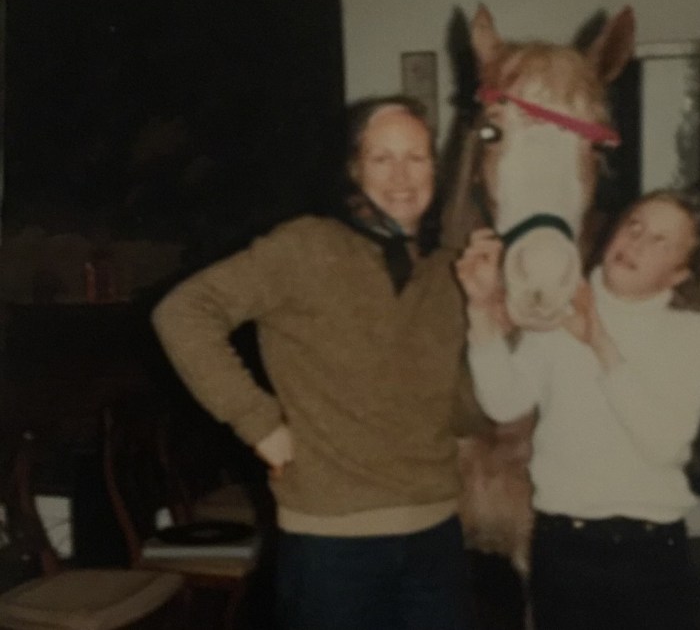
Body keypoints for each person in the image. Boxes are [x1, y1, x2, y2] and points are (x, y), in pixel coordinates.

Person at [152, 95, 484, 630]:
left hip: (437, 535)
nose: (402, 176)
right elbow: (183, 312)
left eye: (416, 157)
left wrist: (492, 326)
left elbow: (465, 414)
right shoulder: (306, 246)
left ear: (435, 169)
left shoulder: (446, 272)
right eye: (382, 158)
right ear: (355, 170)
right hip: (334, 542)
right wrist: (258, 422)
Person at [455, 190, 700, 630]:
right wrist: (481, 312)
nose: (635, 242)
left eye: (660, 241)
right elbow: (503, 403)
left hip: (653, 551)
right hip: (565, 547)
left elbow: (665, 447)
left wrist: (599, 342)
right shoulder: (557, 305)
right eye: (634, 225)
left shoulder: (691, 332)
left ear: (679, 273)